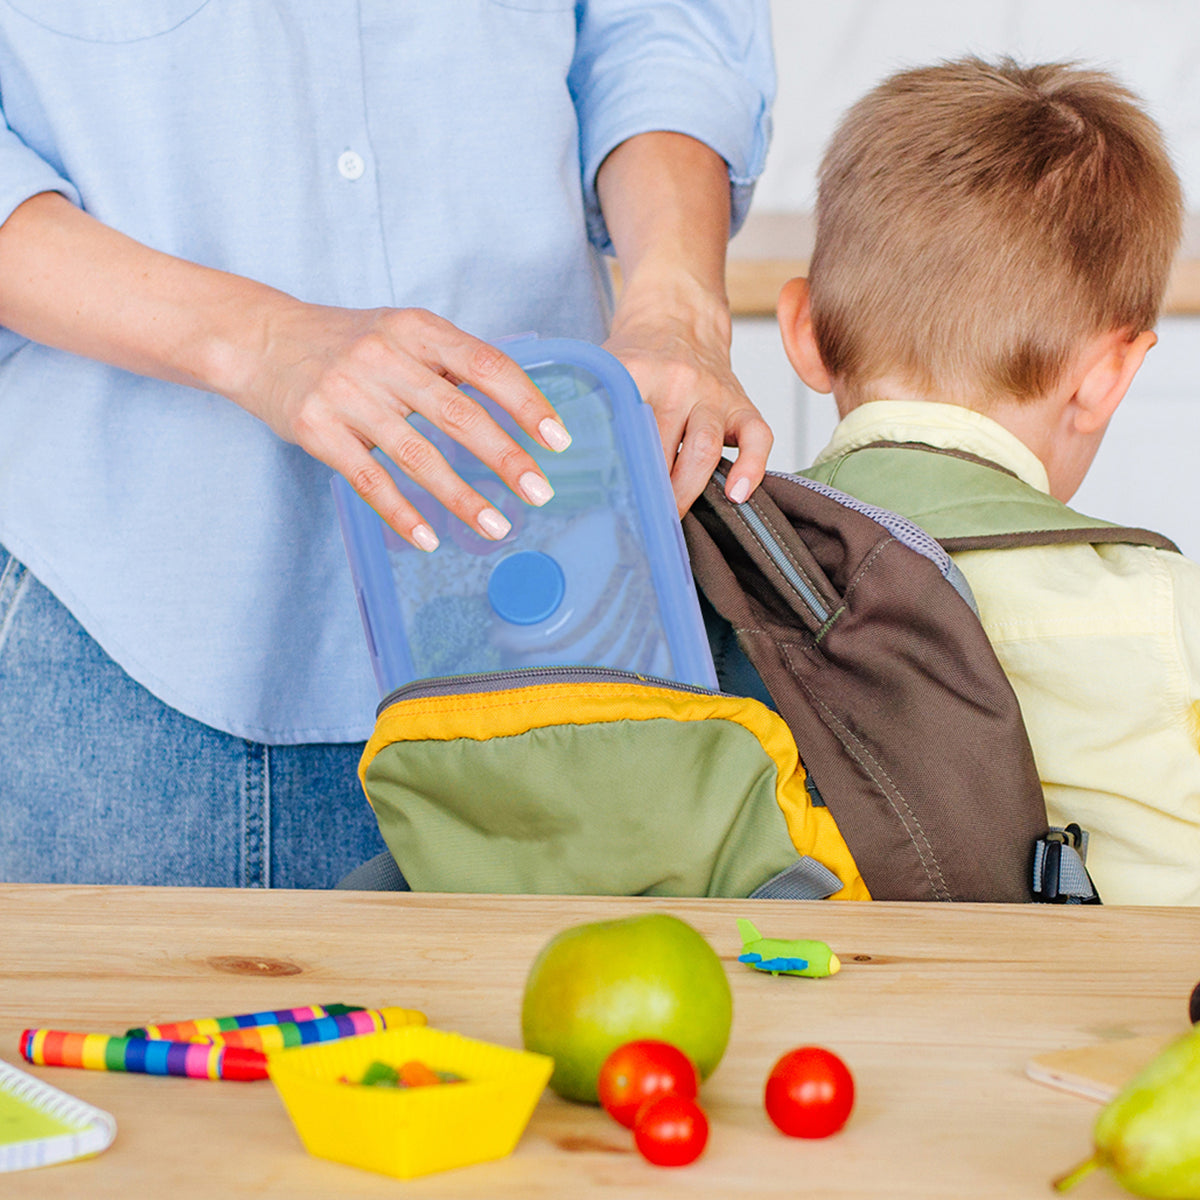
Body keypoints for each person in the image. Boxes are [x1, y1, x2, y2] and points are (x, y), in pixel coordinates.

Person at [0, 2, 776, 888]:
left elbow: (659, 24)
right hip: (117, 641)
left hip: (563, 618)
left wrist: (677, 301)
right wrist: (254, 338)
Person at [774, 56, 1200, 904]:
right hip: (1137, 1031)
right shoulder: (1167, 612)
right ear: (1108, 375)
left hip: (812, 1025)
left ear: (806, 332)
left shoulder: (720, 577)